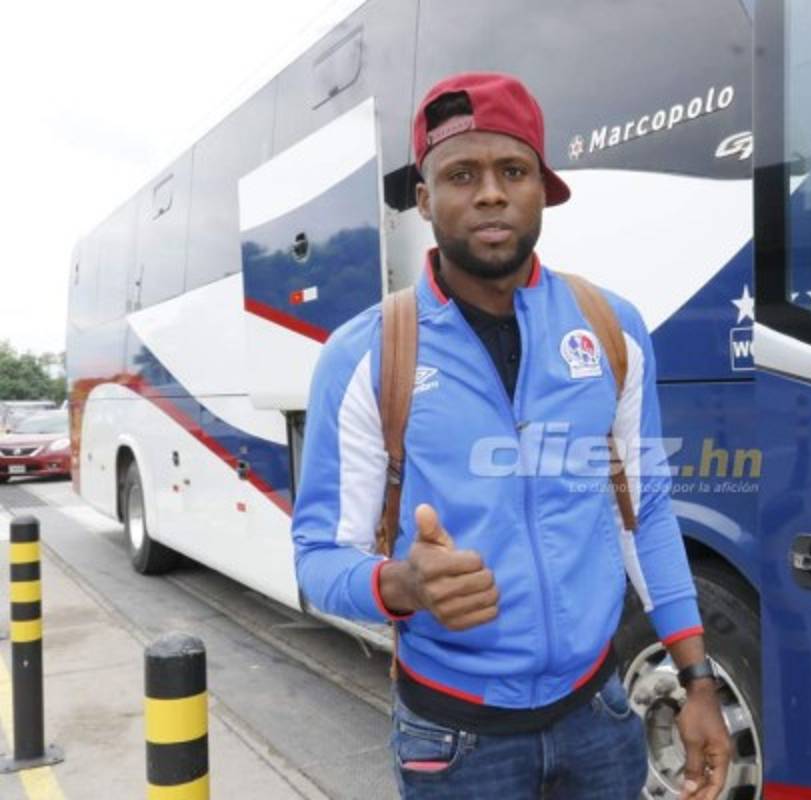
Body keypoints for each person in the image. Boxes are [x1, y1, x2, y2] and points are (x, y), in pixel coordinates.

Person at [291, 72, 731, 799]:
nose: (490, 193)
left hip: (601, 710)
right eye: (462, 173)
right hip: (454, 739)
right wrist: (401, 585)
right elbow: (316, 559)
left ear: (542, 191)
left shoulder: (611, 328)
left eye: (513, 171)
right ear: (425, 199)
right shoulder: (366, 354)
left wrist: (697, 680)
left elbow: (646, 515)